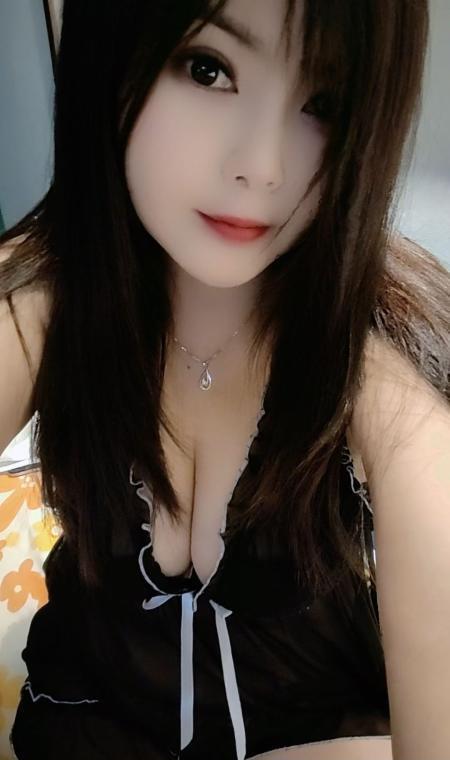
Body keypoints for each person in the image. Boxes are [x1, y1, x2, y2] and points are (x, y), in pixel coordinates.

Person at [1, 0, 449, 758]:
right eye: (207, 69)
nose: (264, 167)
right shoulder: (45, 302)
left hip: (311, 734)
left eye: (323, 102)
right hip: (86, 717)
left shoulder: (382, 368)